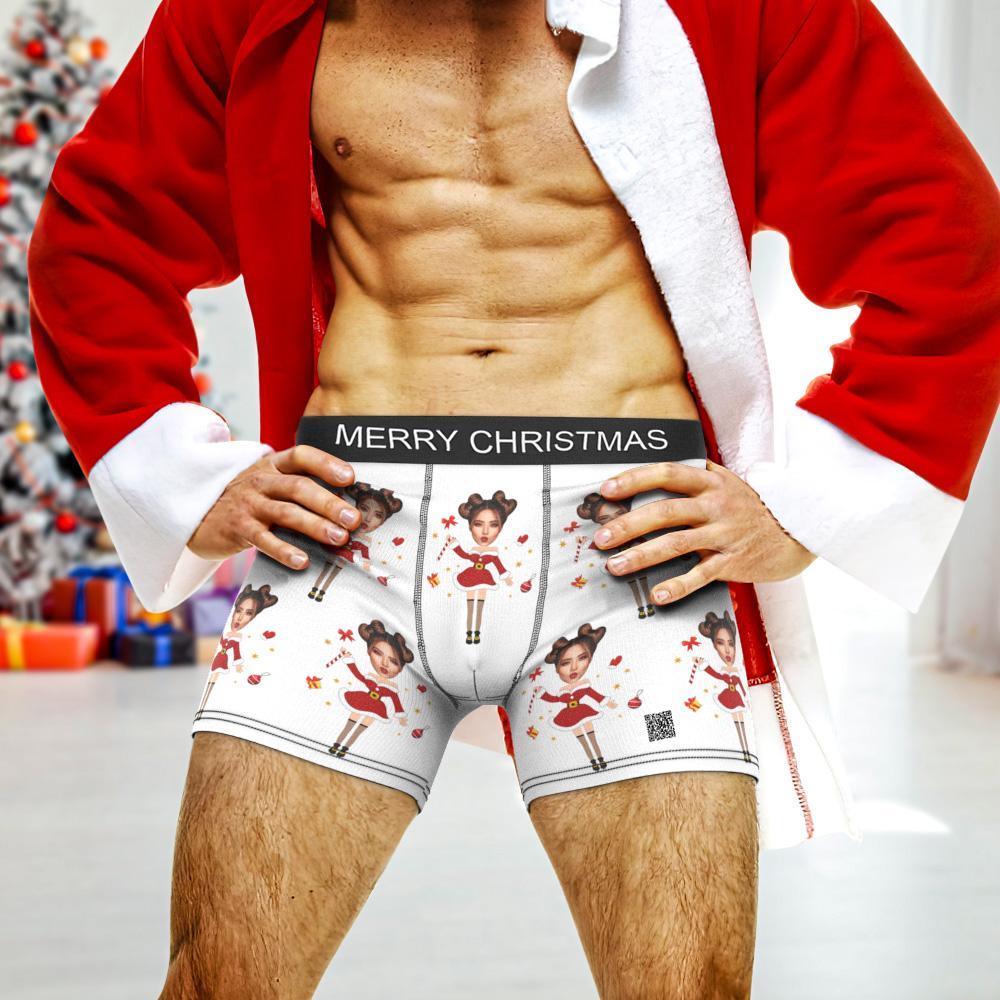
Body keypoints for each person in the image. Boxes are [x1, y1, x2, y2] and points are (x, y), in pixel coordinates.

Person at [26, 0, 1000, 996]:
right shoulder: (249, 11)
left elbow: (945, 232)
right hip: (351, 527)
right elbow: (103, 231)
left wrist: (808, 504)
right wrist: (186, 476)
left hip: (629, 537)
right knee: (220, 981)